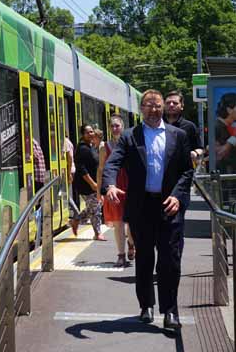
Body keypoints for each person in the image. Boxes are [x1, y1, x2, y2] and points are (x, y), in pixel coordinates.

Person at [102, 89, 193, 329]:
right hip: (142, 207)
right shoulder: (130, 136)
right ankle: (146, 305)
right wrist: (110, 184)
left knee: (170, 260)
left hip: (169, 206)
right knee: (144, 258)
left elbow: (186, 171)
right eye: (148, 105)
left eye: (157, 105)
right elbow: (113, 163)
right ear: (141, 109)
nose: (154, 110)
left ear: (163, 108)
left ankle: (170, 311)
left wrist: (178, 196)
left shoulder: (179, 135)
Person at [97, 114, 135, 267]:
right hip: (113, 186)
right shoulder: (103, 147)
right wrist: (99, 191)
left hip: (130, 185)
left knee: (131, 221)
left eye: (117, 125)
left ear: (123, 126)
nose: (114, 128)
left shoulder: (131, 143)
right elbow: (101, 169)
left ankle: (131, 243)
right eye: (112, 126)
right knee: (118, 222)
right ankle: (121, 254)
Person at [71, 124, 105, 240]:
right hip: (86, 184)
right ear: (83, 134)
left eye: (92, 132)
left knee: (93, 207)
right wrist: (92, 183)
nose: (91, 134)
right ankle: (98, 233)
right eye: (88, 132)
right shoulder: (82, 148)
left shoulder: (90, 146)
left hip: (94, 183)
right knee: (96, 208)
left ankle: (76, 220)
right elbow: (81, 169)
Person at [164, 90, 204, 164]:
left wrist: (195, 153)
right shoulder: (157, 125)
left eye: (175, 103)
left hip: (183, 171)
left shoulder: (189, 126)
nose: (171, 105)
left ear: (182, 106)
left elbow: (200, 148)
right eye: (168, 103)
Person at [214, 93, 236, 174]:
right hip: (225, 177)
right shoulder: (217, 126)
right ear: (229, 109)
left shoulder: (228, 126)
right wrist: (234, 138)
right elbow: (218, 154)